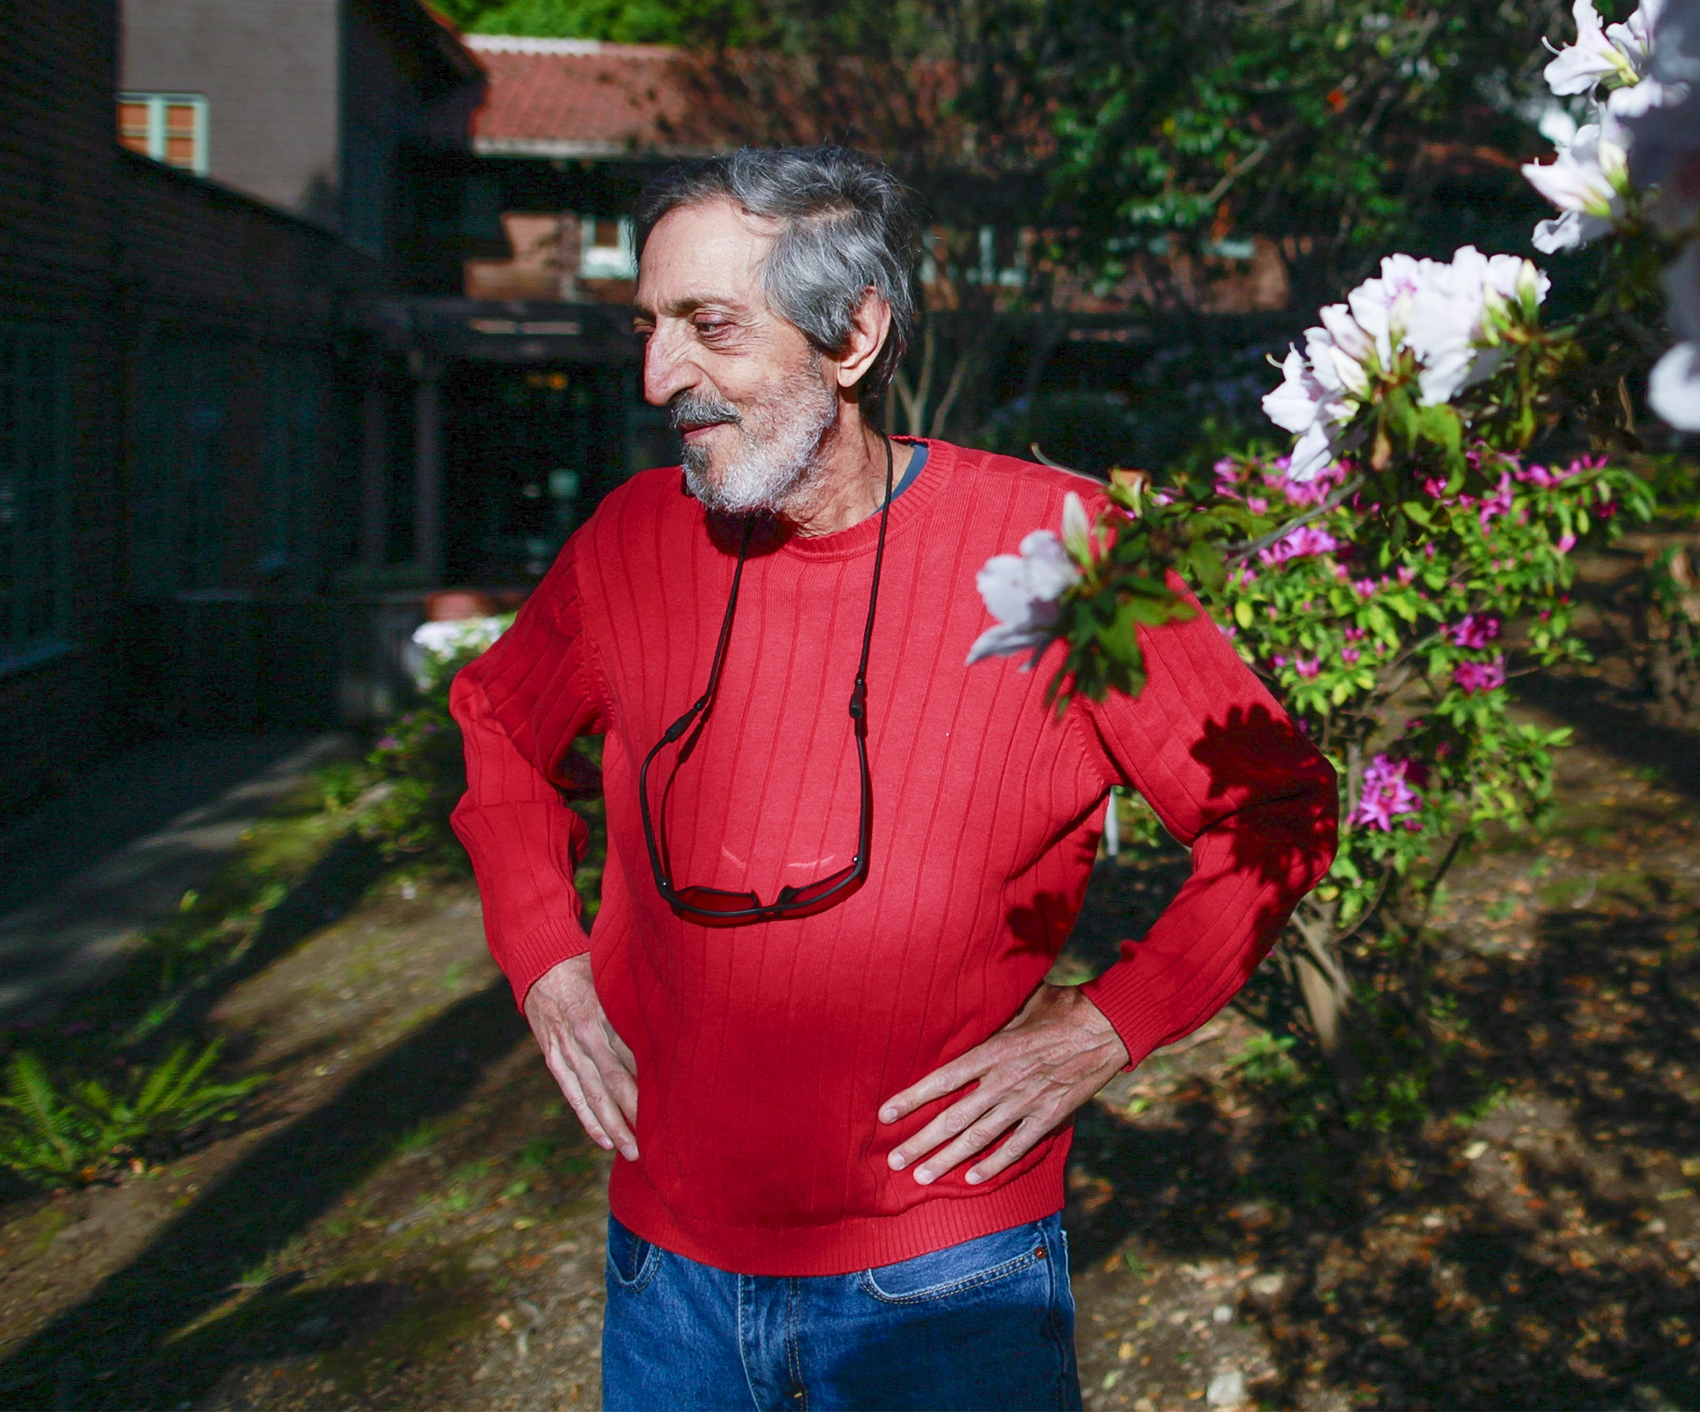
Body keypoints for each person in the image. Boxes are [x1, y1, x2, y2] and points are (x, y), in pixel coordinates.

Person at [447, 145, 1338, 1412]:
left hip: (948, 1284)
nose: (659, 377)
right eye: (648, 329)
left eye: (709, 327)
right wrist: (545, 957)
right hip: (669, 1275)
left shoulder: (1063, 553)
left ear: (853, 335)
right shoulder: (631, 539)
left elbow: (1275, 801)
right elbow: (494, 720)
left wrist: (1109, 1025)